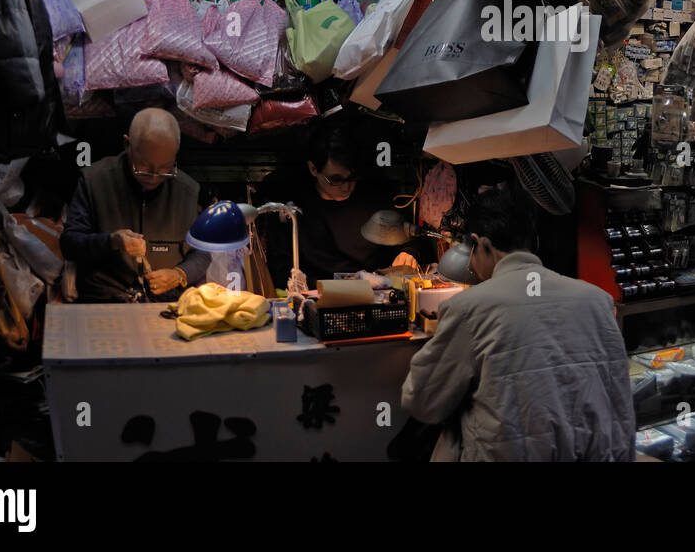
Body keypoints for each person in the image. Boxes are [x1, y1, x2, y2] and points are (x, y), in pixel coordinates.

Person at [400, 186, 634, 461]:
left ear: (480, 243)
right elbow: (620, 403)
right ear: (532, 241)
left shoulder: (469, 308)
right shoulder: (597, 301)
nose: (472, 268)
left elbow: (422, 401)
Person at [60, 108, 208, 302]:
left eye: (165, 168)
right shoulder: (94, 181)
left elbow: (203, 251)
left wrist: (179, 275)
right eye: (144, 167)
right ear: (127, 144)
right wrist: (111, 241)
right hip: (105, 301)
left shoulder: (187, 191)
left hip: (165, 304)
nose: (154, 177)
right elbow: (69, 244)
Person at [258, 119, 422, 288]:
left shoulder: (373, 195)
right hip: (318, 293)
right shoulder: (292, 208)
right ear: (314, 169)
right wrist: (331, 287)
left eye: (352, 178)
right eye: (336, 180)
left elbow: (409, 236)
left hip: (373, 290)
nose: (346, 187)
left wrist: (408, 252)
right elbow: (281, 271)